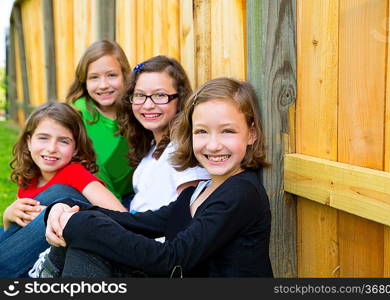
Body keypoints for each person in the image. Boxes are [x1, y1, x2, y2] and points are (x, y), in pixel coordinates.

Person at [42, 77, 273, 277]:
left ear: (251, 134)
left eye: (228, 131)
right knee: (87, 243)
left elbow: (172, 260)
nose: (213, 145)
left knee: (89, 239)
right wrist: (69, 207)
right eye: (201, 131)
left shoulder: (242, 192)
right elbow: (137, 223)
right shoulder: (198, 191)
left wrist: (83, 225)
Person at [0, 102, 126, 278]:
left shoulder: (75, 174)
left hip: (58, 254)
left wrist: (61, 215)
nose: (51, 148)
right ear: (29, 142)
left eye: (63, 141)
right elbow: (15, 235)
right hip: (27, 257)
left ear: (75, 148)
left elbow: (121, 215)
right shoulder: (28, 177)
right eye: (43, 138)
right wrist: (8, 215)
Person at [116, 55, 210, 212]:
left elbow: (187, 215)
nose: (148, 105)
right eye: (140, 95)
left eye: (159, 95)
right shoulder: (153, 146)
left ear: (180, 99)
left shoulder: (182, 149)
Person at [66, 39, 133, 201]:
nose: (103, 85)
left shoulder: (136, 111)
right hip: (87, 198)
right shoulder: (77, 113)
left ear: (125, 76)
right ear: (84, 81)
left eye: (111, 75)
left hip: (130, 196)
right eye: (94, 77)